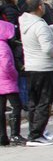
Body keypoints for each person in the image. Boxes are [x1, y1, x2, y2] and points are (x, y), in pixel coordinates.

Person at [19, 0, 53, 146]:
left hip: (31, 66)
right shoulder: (39, 25)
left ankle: (37, 131)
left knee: (34, 102)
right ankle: (36, 135)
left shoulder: (27, 22)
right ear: (40, 7)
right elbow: (48, 47)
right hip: (44, 67)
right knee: (44, 102)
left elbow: (49, 30)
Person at [0, 17, 22, 145]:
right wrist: (15, 74)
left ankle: (2, 136)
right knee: (16, 106)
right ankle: (15, 134)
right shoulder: (3, 46)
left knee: (1, 108)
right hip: (6, 80)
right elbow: (7, 65)